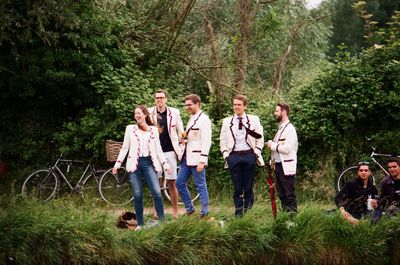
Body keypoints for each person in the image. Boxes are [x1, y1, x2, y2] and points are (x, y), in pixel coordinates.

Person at [112, 105, 172, 230]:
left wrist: (165, 164)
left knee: (156, 192)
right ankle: (140, 224)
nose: (137, 116)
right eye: (135, 114)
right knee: (138, 194)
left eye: (139, 113)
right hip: (134, 164)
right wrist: (117, 164)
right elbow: (125, 148)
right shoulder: (130, 129)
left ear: (145, 114)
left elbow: (158, 150)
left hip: (149, 163)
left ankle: (162, 221)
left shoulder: (153, 130)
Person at [219, 95, 264, 217]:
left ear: (245, 106)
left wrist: (256, 154)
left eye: (239, 104)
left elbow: (260, 138)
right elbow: (222, 140)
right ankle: (238, 213)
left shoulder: (254, 120)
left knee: (248, 186)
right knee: (237, 187)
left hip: (249, 155)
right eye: (234, 104)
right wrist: (226, 156)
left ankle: (248, 212)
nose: (236, 107)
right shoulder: (227, 121)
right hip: (234, 157)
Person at [148, 90, 184, 218]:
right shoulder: (149, 112)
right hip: (155, 154)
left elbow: (181, 132)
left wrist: (181, 149)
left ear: (166, 99)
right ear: (155, 99)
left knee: (172, 182)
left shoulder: (174, 112)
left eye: (161, 97)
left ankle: (175, 211)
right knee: (155, 183)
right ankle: (157, 211)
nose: (159, 100)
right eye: (157, 98)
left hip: (170, 152)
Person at [176, 94, 212, 218]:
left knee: (200, 185)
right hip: (186, 158)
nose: (187, 107)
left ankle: (205, 213)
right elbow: (193, 139)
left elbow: (206, 141)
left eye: (189, 105)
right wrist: (184, 140)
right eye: (186, 105)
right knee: (179, 183)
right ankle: (190, 209)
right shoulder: (191, 118)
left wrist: (203, 161)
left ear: (197, 104)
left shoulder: (204, 119)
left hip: (197, 159)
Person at [266, 102, 298, 213]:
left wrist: (272, 145)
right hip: (278, 166)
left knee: (289, 193)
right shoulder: (280, 129)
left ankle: (292, 219)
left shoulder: (290, 129)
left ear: (284, 112)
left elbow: (288, 149)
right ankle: (285, 217)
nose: (275, 113)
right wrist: (272, 161)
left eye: (277, 111)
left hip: (287, 167)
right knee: (281, 194)